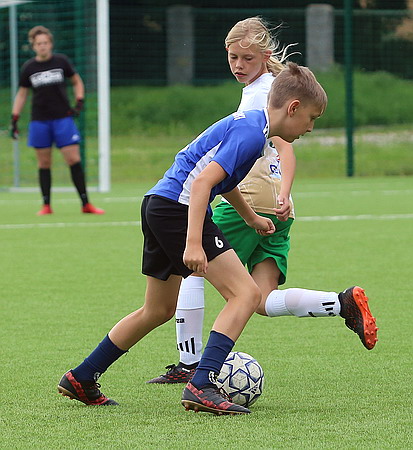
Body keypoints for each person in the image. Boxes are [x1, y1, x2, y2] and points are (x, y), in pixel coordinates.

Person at [57, 62, 328, 415]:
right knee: (246, 294)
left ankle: (81, 377)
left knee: (158, 310)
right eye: (311, 118)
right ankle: (202, 384)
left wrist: (251, 218)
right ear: (293, 108)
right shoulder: (251, 133)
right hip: (178, 208)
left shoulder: (253, 129)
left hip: (158, 203)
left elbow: (222, 181)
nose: (310, 127)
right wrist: (193, 243)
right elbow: (202, 184)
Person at [146, 17, 378, 385]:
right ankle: (341, 302)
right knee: (261, 297)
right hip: (278, 210)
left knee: (194, 267)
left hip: (250, 198)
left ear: (265, 56)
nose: (238, 65)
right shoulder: (273, 86)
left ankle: (191, 364)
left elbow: (282, 149)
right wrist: (284, 195)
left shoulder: (264, 96)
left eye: (246, 58)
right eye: (232, 57)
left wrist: (276, 193)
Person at [10, 25, 104, 216]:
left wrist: (79, 101)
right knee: (44, 163)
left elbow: (76, 81)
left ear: (51, 44)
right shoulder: (29, 67)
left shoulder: (61, 61)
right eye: (38, 43)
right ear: (33, 46)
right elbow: (22, 94)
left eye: (45, 42)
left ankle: (86, 204)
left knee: (73, 159)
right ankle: (46, 205)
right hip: (40, 121)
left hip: (63, 119)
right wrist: (15, 118)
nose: (42, 46)